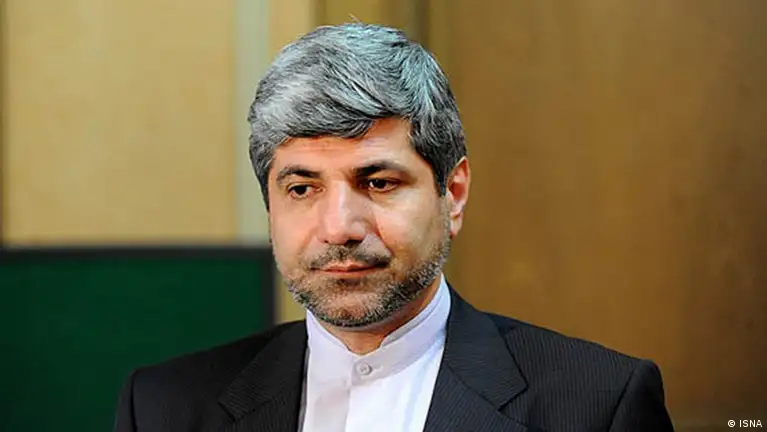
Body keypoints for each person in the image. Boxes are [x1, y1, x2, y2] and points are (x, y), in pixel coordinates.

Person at [114, 23, 674, 431]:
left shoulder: (599, 406)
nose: (340, 227)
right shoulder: (164, 408)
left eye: (378, 182)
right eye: (302, 189)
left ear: (452, 194)